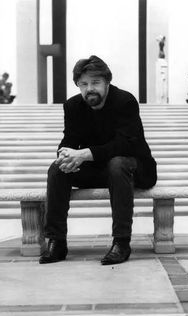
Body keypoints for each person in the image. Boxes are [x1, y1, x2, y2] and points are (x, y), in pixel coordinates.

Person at [39, 55, 157, 265]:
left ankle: (121, 242)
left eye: (95, 82)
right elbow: (69, 139)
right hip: (98, 170)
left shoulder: (125, 101)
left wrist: (83, 154)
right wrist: (65, 155)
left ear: (107, 82)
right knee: (57, 169)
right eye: (83, 84)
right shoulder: (73, 106)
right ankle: (56, 242)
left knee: (117, 162)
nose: (89, 89)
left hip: (133, 167)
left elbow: (126, 145)